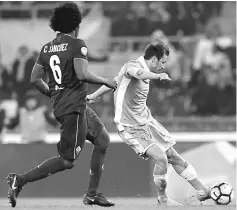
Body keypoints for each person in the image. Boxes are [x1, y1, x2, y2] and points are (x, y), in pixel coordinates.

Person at [6, 2, 116, 208]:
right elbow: (82, 73)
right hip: (73, 109)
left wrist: (53, 93)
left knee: (102, 139)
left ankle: (92, 194)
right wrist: (105, 81)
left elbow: (34, 78)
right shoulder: (77, 44)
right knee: (67, 161)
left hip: (72, 105)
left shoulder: (46, 48)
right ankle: (19, 180)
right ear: (76, 24)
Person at [86, 41, 211, 205]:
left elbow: (115, 82)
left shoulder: (142, 70)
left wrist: (95, 95)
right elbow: (137, 73)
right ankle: (163, 199)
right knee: (161, 159)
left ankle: (203, 191)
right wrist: (157, 76)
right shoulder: (132, 66)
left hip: (147, 121)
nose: (163, 66)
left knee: (173, 156)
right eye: (163, 62)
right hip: (130, 127)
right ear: (153, 59)